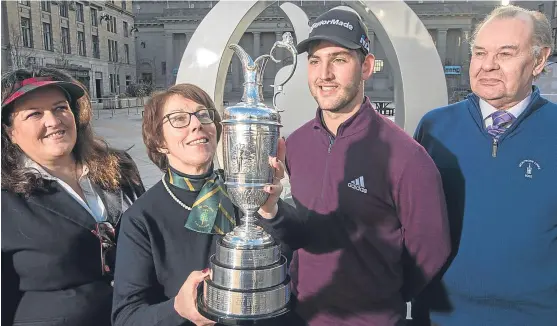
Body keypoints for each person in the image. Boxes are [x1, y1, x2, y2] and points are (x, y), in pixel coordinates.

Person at [256, 7, 451, 326]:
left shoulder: (406, 156)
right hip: (302, 315)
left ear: (367, 66)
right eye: (315, 61)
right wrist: (272, 210)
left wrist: (379, 296)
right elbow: (302, 229)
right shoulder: (295, 144)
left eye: (339, 59)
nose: (324, 74)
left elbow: (431, 249)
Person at [411, 5, 557, 326]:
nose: (488, 65)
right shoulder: (434, 128)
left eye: (505, 53)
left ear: (539, 60)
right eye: (479, 53)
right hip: (439, 315)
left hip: (536, 317)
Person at [111, 83, 287, 326]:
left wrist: (270, 211)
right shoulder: (142, 218)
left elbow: (293, 253)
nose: (196, 124)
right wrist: (177, 309)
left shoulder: (245, 190)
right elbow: (126, 317)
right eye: (179, 119)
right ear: (159, 142)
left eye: (203, 115)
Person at [1, 67, 145, 326]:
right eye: (35, 113)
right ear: (10, 132)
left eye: (60, 108)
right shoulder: (6, 198)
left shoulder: (120, 167)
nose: (54, 121)